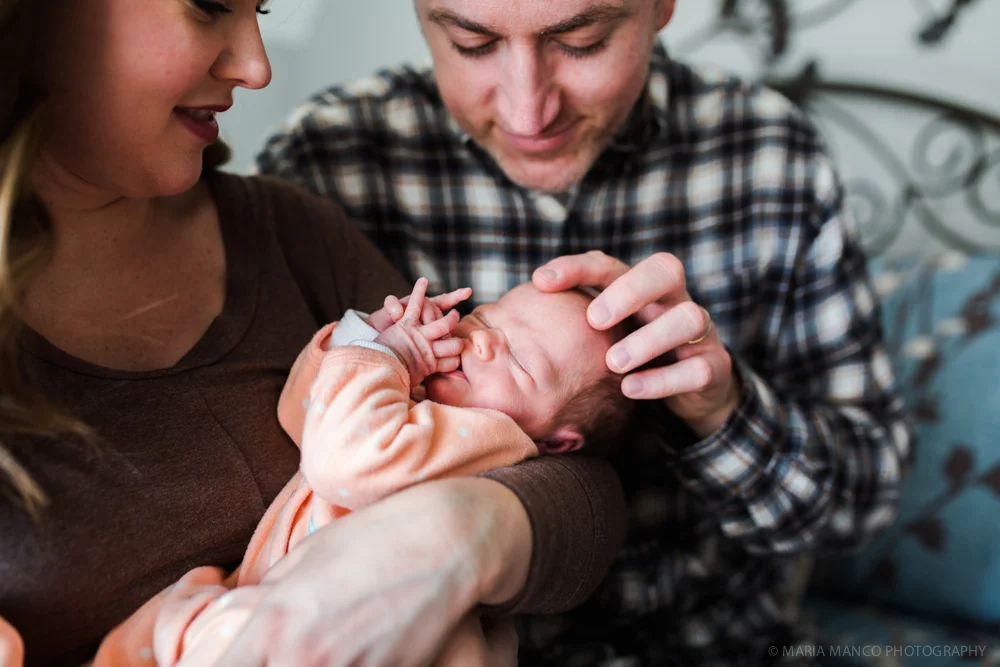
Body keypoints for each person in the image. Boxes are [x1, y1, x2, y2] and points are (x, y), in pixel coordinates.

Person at [255, 0, 916, 664]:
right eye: (472, 44)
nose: (527, 111)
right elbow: (275, 463)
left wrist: (723, 412)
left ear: (661, 8)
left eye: (582, 40)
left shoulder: (770, 157)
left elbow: (861, 509)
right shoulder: (328, 163)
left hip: (713, 644)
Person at [0, 1, 628, 666]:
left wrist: (461, 535)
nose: (258, 67)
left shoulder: (289, 232)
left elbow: (580, 489)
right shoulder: (326, 166)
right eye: (210, 3)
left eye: (261, 8)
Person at [76, 278, 634, 667]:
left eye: (520, 361)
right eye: (487, 317)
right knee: (181, 612)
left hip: (323, 628)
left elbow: (339, 461)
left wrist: (379, 361)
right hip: (278, 602)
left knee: (208, 626)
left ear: (557, 441)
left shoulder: (489, 440)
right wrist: (361, 338)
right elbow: (302, 419)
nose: (482, 340)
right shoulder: (421, 401)